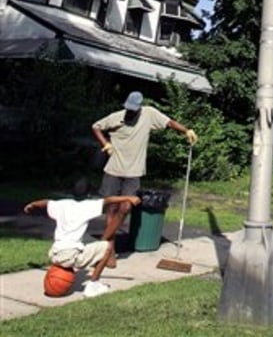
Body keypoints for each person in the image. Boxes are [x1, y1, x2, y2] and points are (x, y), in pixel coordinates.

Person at [92, 91, 197, 265]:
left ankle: (104, 242)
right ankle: (109, 249)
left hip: (133, 172)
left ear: (139, 107)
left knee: (125, 208)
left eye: (133, 109)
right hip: (113, 170)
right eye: (128, 109)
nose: (130, 112)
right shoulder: (117, 117)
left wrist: (186, 130)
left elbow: (169, 122)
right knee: (111, 209)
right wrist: (106, 144)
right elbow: (96, 126)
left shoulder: (149, 114)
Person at [24, 177, 141, 298]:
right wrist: (128, 197)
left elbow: (46, 202)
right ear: (89, 194)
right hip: (70, 256)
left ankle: (89, 267)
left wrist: (32, 205)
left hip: (54, 254)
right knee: (106, 247)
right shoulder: (87, 206)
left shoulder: (61, 204)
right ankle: (93, 285)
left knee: (86, 246)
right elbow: (109, 200)